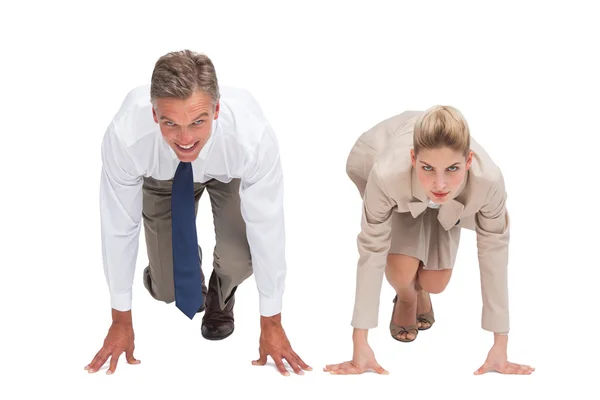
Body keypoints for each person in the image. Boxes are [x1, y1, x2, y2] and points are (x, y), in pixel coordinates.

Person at [85, 50, 311, 377]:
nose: (186, 138)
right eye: (171, 123)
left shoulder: (251, 139)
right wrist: (120, 320)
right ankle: (182, 269)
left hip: (228, 174)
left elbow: (268, 226)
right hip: (162, 178)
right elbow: (119, 226)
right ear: (154, 115)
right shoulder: (126, 137)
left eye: (198, 121)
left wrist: (272, 322)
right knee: (167, 288)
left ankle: (222, 290)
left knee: (240, 258)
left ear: (217, 110)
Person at [324, 106, 535, 376]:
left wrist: (500, 346)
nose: (440, 184)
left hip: (453, 205)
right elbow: (371, 250)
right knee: (402, 272)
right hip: (403, 194)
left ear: (469, 161)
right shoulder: (387, 174)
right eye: (428, 168)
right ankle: (407, 297)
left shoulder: (489, 181)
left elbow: (494, 253)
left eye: (452, 169)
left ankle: (422, 290)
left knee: (436, 283)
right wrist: (359, 344)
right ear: (413, 158)